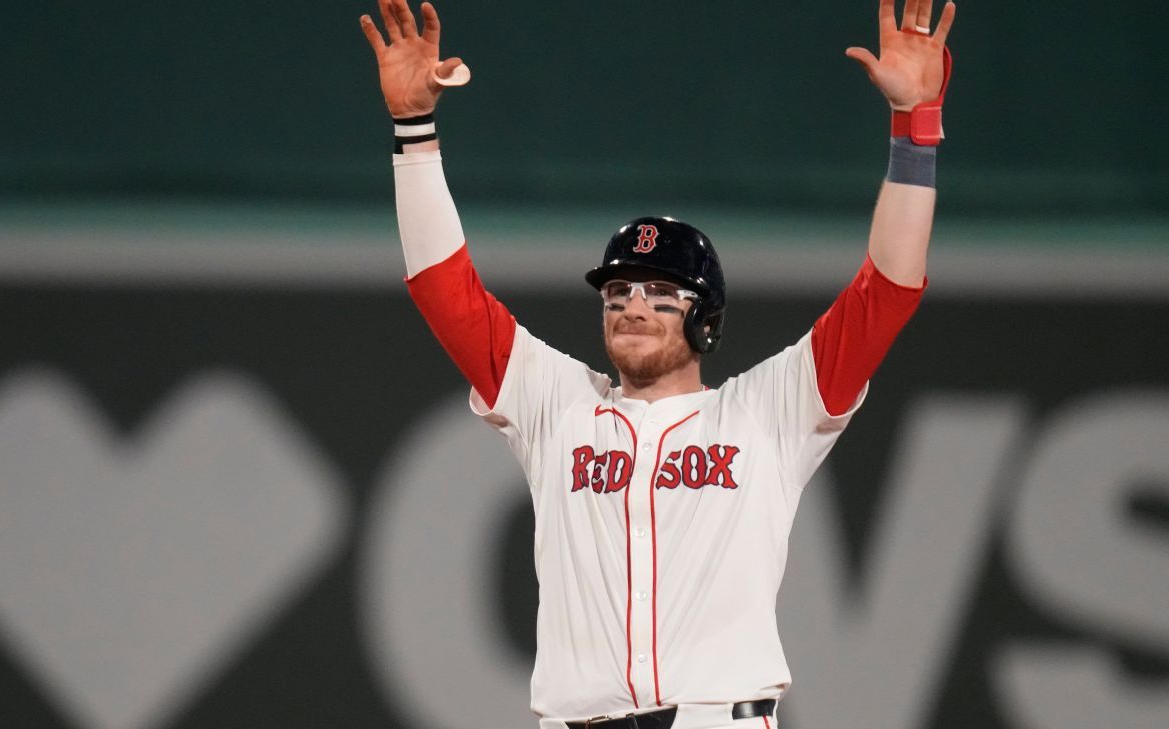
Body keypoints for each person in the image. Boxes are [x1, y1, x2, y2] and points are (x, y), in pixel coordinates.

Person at [359, 1, 956, 727]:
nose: (632, 303)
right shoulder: (557, 407)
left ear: (705, 317)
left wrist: (914, 130)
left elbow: (888, 289)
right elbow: (442, 288)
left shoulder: (769, 411)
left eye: (660, 292)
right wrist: (414, 134)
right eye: (617, 289)